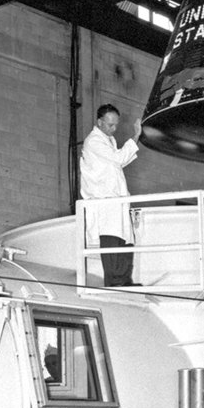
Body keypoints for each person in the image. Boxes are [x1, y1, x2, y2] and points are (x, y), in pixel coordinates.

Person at [80, 103, 142, 287]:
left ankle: (124, 280)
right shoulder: (94, 141)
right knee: (111, 240)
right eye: (110, 125)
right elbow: (119, 159)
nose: (114, 129)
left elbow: (120, 162)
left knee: (124, 241)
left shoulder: (108, 141)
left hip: (116, 200)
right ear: (99, 122)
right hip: (105, 202)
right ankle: (114, 281)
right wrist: (136, 135)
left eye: (116, 124)